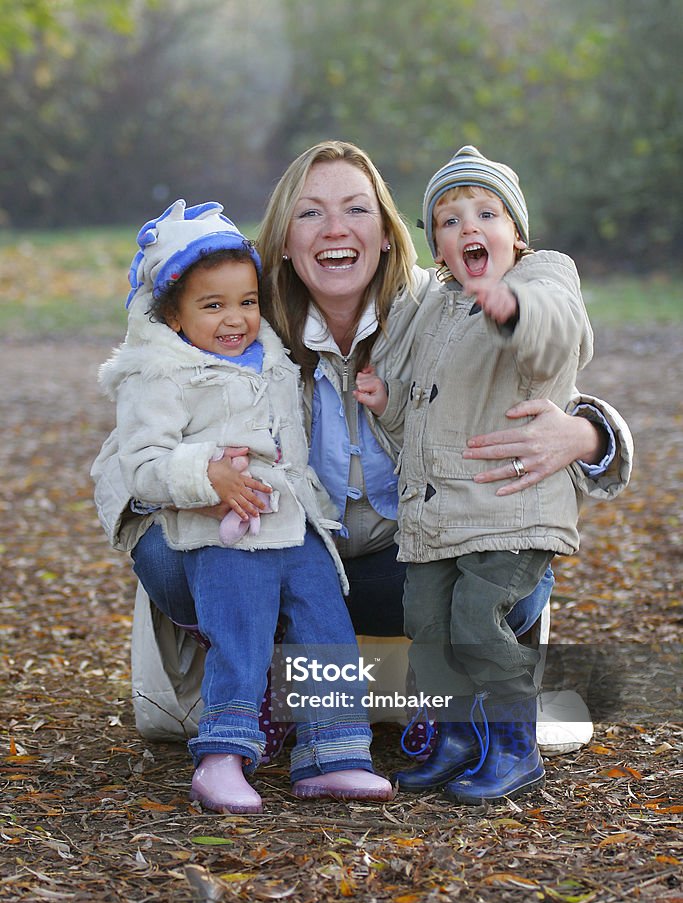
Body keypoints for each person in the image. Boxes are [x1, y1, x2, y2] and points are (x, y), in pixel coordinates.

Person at [91, 141, 632, 785]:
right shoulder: (241, 324)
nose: (336, 229)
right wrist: (198, 477)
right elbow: (127, 454)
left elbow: (543, 365)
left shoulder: (443, 306)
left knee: (488, 589)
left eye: (356, 209)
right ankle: (284, 684)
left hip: (392, 562)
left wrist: (589, 436)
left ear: (387, 233)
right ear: (284, 241)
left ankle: (399, 699)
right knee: (170, 557)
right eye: (311, 213)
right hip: (266, 553)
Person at [96, 198, 393, 813]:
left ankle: (334, 754)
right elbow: (143, 464)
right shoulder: (162, 374)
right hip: (222, 535)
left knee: (324, 624)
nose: (235, 319)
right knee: (242, 633)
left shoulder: (273, 358)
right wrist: (207, 476)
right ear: (173, 315)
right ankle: (223, 754)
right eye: (213, 306)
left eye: (247, 302)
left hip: (293, 521)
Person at [361, 145, 602, 803]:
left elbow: (559, 334)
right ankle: (456, 740)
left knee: (476, 615)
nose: (468, 227)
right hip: (438, 517)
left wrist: (511, 309)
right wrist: (387, 408)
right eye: (447, 218)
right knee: (427, 627)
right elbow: (421, 424)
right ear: (435, 245)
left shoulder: (540, 277)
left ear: (515, 234)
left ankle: (513, 744)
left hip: (509, 507)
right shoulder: (432, 307)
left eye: (485, 212)